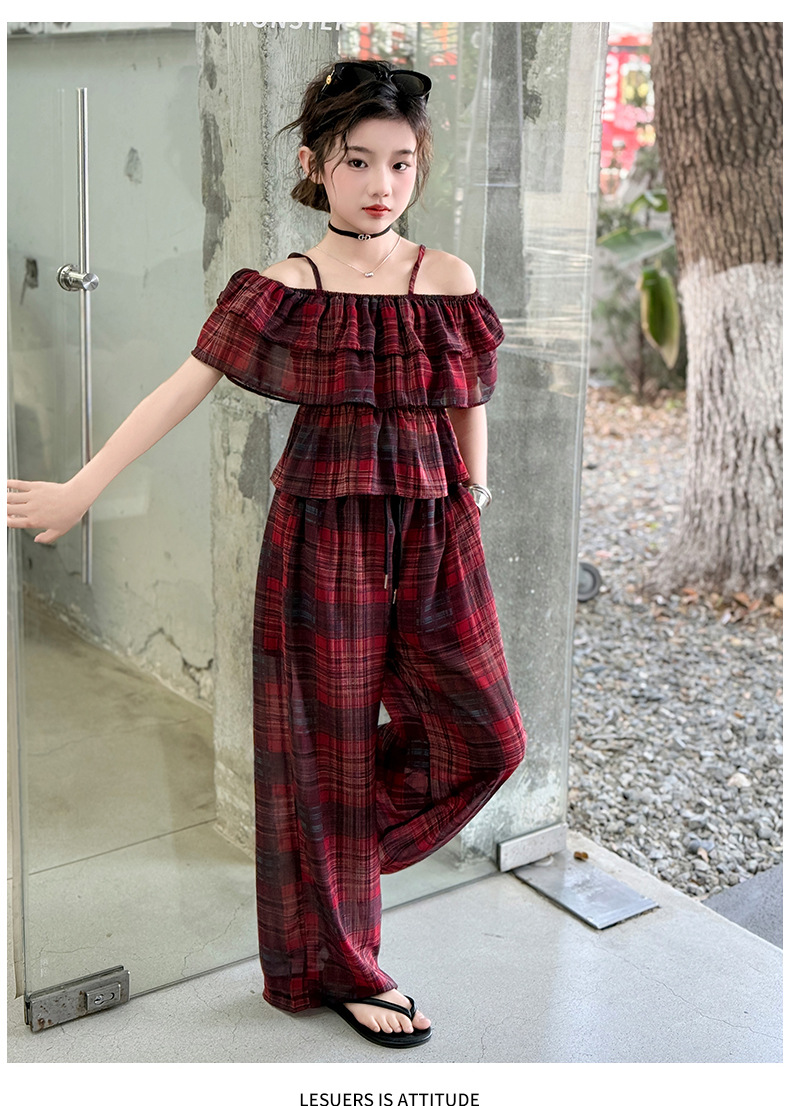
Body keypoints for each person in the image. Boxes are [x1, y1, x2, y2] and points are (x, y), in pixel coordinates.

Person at [7, 59, 527, 1049]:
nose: (382, 183)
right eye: (357, 161)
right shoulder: (286, 290)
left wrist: (474, 490)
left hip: (436, 527)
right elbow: (180, 387)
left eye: (401, 162)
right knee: (323, 749)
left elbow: (468, 397)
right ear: (315, 167)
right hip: (325, 531)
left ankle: (325, 842)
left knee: (489, 737)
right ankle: (343, 961)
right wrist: (84, 484)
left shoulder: (447, 277)